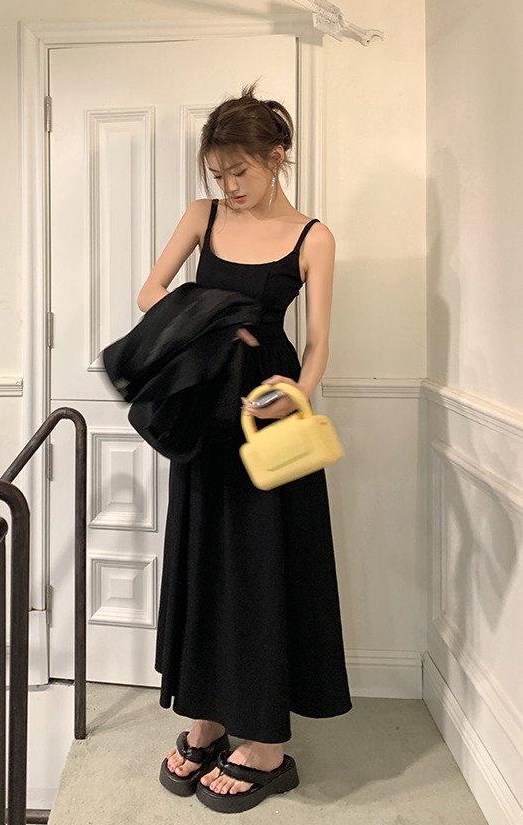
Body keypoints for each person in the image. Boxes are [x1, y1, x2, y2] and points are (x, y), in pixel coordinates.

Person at [137, 83, 352, 813]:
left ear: (276, 157)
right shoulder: (201, 217)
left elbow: (317, 344)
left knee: (264, 561)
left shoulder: (313, 237)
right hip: (207, 399)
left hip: (272, 404)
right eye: (218, 173)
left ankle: (264, 741)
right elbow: (150, 292)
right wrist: (211, 321)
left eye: (240, 172)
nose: (228, 186)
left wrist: (296, 394)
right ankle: (206, 714)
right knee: (204, 551)